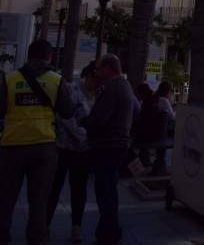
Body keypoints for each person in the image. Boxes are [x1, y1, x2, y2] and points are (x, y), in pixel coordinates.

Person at [0, 39, 72, 245]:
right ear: (49, 57)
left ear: (28, 56)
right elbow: (67, 112)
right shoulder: (56, 80)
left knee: (5, 198)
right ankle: (37, 238)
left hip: (12, 145)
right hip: (43, 145)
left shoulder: (10, 79)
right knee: (39, 199)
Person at [81, 54, 133, 245]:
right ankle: (111, 230)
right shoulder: (122, 86)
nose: (96, 73)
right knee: (109, 190)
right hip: (114, 145)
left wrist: (82, 120)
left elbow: (99, 120)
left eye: (98, 69)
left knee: (106, 192)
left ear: (108, 68)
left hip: (108, 146)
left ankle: (108, 234)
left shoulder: (114, 89)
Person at [47, 61, 99, 243]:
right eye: (97, 80)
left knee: (79, 189)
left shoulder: (100, 95)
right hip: (64, 148)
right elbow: (66, 117)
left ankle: (77, 226)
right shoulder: (72, 90)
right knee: (54, 188)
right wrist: (84, 136)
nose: (99, 85)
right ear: (89, 76)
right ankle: (45, 225)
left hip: (83, 152)